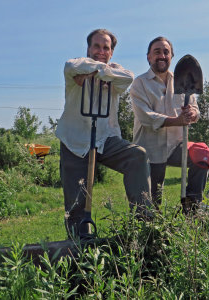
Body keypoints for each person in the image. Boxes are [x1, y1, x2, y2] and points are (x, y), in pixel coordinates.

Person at [55, 29, 152, 237]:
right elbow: (70, 66)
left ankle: (144, 228)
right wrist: (101, 70)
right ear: (88, 49)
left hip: (105, 139)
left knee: (138, 155)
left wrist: (95, 72)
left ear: (112, 52)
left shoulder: (115, 73)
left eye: (106, 48)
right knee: (76, 206)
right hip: (74, 140)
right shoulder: (75, 69)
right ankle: (80, 245)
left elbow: (128, 77)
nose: (101, 51)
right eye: (96, 46)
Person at [130, 36, 209, 214]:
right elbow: (146, 117)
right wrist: (176, 120)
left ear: (171, 56)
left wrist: (193, 113)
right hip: (150, 149)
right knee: (150, 205)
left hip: (176, 145)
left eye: (166, 52)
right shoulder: (140, 83)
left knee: (203, 154)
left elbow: (195, 109)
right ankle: (149, 231)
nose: (162, 55)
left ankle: (192, 206)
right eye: (157, 52)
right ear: (148, 57)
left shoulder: (182, 80)